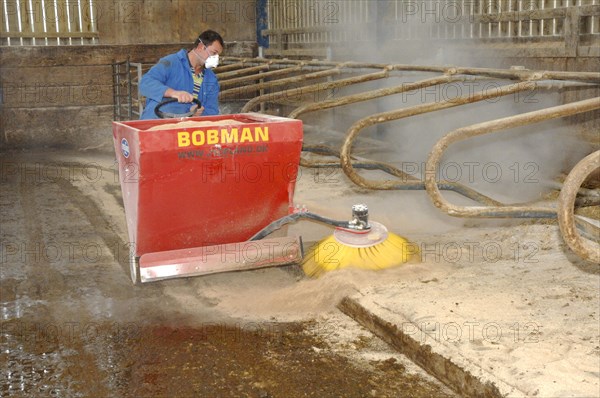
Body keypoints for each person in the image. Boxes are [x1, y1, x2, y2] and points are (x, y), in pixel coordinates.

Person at [139, 30, 224, 119]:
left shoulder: (211, 79)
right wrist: (173, 93)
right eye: (214, 53)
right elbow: (145, 83)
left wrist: (198, 112)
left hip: (184, 130)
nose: (216, 58)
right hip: (156, 124)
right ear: (200, 47)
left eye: (218, 55)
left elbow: (212, 111)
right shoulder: (171, 63)